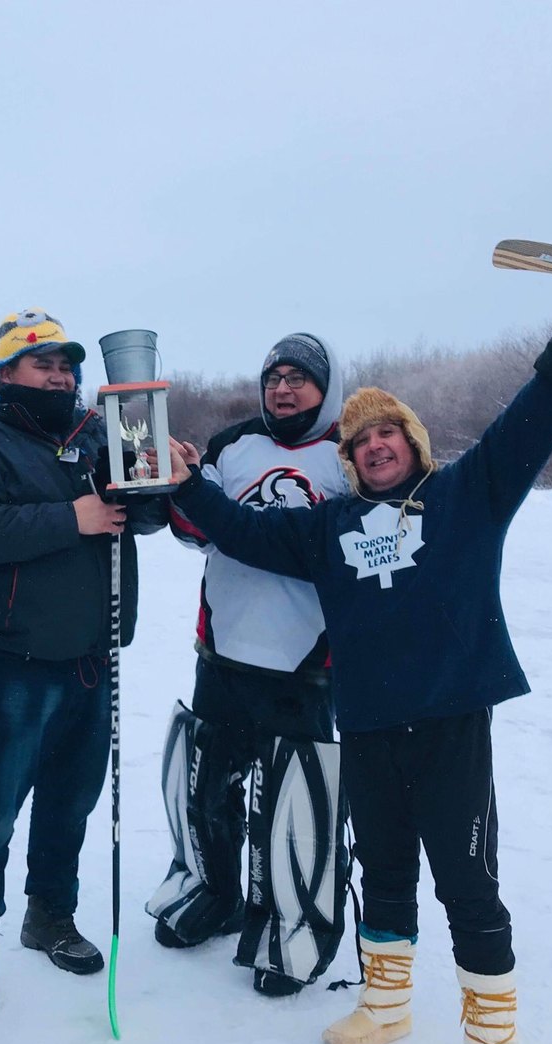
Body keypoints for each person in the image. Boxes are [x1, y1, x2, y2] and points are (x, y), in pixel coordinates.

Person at [166, 245, 552, 1044]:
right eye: (362, 440)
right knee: (383, 872)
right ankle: (384, 1008)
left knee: (466, 883)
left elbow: (543, 406)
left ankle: (492, 1042)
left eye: (390, 433)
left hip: (452, 722)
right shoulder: (328, 526)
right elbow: (239, 531)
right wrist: (182, 480)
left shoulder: (468, 495)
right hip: (371, 724)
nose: (376, 445)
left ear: (415, 445)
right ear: (348, 462)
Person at [0, 308, 167, 1025]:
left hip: (93, 659)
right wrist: (77, 516)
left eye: (67, 364)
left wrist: (153, 460)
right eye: (43, 364)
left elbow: (147, 517)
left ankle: (50, 915)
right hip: (15, 659)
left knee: (71, 802)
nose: (60, 376)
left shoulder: (94, 436)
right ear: (4, 374)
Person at [146, 333, 351, 997]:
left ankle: (292, 926)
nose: (283, 388)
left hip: (307, 662)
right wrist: (170, 483)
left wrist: (213, 507)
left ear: (328, 386)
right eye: (275, 377)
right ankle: (215, 892)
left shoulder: (349, 452)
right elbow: (194, 528)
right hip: (225, 650)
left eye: (300, 377)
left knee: (296, 801)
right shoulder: (234, 445)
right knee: (204, 783)